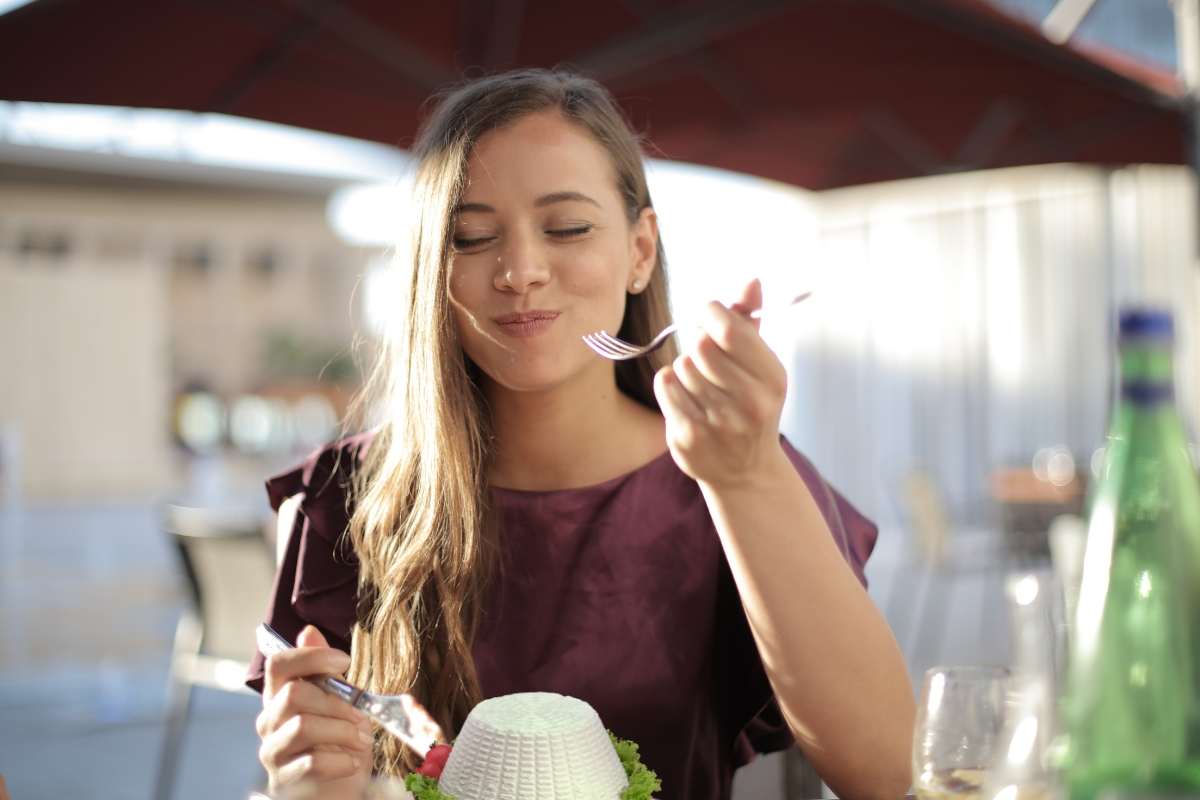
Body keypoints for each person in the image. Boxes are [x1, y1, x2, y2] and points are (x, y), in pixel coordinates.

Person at [248, 68, 915, 800]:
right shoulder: (344, 500)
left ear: (640, 251)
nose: (521, 271)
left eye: (567, 227)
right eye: (471, 237)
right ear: (430, 272)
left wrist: (746, 476)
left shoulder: (731, 472)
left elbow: (885, 772)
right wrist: (303, 777)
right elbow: (318, 767)